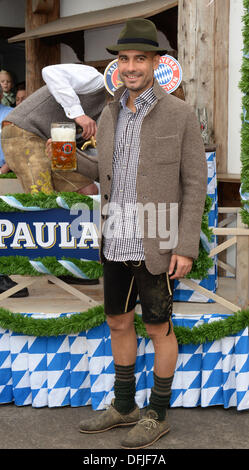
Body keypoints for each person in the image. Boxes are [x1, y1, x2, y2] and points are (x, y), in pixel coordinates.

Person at [46, 18, 207, 448]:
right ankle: (124, 406)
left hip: (157, 239)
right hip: (114, 237)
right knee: (118, 322)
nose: (131, 66)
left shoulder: (181, 113)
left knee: (159, 329)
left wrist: (185, 245)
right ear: (116, 64)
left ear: (156, 62)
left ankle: (157, 412)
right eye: (124, 59)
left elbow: (195, 183)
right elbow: (105, 171)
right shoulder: (109, 111)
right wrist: (65, 159)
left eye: (140, 58)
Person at [1, 64, 106, 195]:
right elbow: (49, 71)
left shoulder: (119, 106)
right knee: (42, 195)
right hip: (23, 129)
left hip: (55, 141)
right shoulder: (96, 78)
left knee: (89, 190)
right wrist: (78, 114)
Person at [0, 83, 28, 297]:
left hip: (5, 175)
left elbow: (18, 146)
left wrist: (3, 170)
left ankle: (3, 276)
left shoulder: (10, 114)